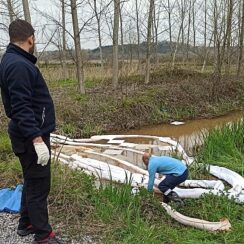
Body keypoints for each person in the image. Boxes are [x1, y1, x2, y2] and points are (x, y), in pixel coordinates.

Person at [0, 19, 60, 244]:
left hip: (26, 133)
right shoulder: (18, 65)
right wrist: (37, 139)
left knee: (31, 180)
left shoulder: (12, 60)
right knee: (39, 185)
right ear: (30, 38)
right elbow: (21, 106)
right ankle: (43, 235)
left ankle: (25, 222)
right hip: (30, 135)